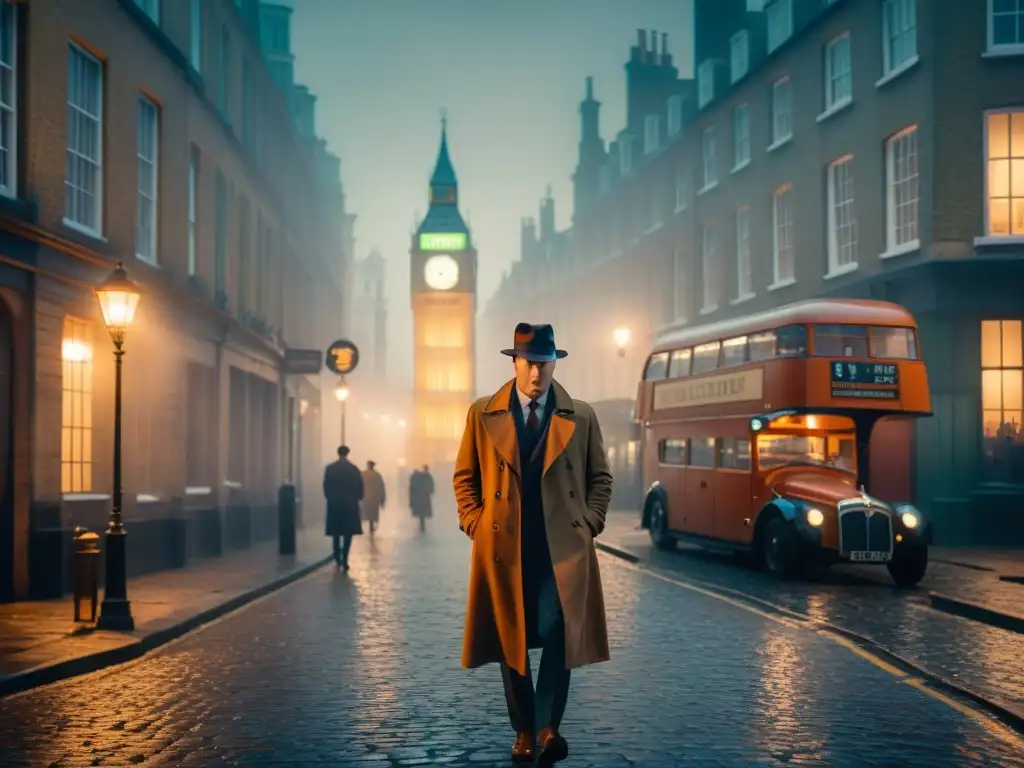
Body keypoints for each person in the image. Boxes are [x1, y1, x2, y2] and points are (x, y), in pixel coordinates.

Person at [453, 322, 613, 765]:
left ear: (554, 363)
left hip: (561, 549)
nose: (539, 374)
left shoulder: (580, 415)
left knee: (561, 633)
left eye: (546, 364)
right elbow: (465, 477)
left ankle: (548, 727)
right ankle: (525, 729)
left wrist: (590, 522)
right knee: (513, 641)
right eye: (531, 364)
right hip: (504, 550)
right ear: (515, 363)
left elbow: (600, 477)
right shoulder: (481, 413)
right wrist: (475, 523)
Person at [323, 445, 364, 570]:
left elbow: (326, 486)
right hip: (349, 504)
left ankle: (336, 555)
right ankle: (345, 558)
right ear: (347, 454)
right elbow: (360, 487)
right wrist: (357, 498)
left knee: (336, 531)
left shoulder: (330, 469)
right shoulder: (354, 469)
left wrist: (330, 498)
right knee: (348, 532)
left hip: (335, 504)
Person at [361, 460, 386, 535]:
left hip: (365, 498)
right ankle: (371, 526)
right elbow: (381, 488)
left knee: (367, 513)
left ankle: (370, 526)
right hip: (375, 498)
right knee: (373, 513)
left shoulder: (363, 474)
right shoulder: (377, 475)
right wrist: (382, 500)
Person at [410, 464, 434, 532]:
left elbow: (414, 487)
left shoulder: (418, 476)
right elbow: (431, 486)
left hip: (420, 497)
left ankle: (422, 526)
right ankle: (422, 526)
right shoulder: (428, 476)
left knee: (421, 513)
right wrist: (430, 492)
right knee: (422, 513)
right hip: (425, 497)